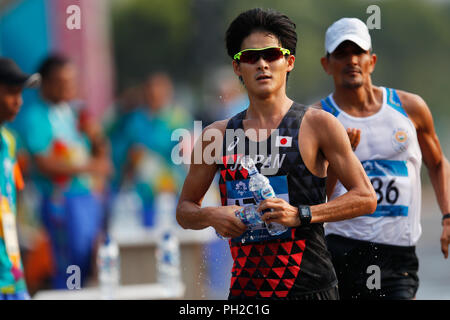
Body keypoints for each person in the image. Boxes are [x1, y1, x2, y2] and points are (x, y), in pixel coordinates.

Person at [176, 8, 377, 300]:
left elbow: (365, 197)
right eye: (250, 57)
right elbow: (184, 210)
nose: (261, 64)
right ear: (237, 68)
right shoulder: (215, 136)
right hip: (247, 294)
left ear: (288, 62)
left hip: (312, 289)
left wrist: (301, 214)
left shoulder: (319, 125)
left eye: (271, 55)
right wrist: (212, 214)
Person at [315, 18, 450, 300]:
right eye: (341, 54)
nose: (351, 60)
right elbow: (315, 198)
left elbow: (437, 163)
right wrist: (339, 161)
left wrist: (448, 217)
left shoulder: (409, 107)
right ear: (327, 65)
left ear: (372, 61)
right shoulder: (318, 121)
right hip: (342, 248)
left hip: (397, 253)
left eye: (358, 52)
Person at [19, 54, 111, 289]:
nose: (69, 87)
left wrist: (96, 135)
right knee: (67, 262)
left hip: (87, 198)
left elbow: (103, 156)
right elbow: (44, 163)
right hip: (59, 202)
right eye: (62, 81)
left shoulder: (76, 113)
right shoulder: (36, 116)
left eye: (72, 81)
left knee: (88, 260)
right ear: (46, 84)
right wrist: (90, 166)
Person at [0, 57, 39, 299]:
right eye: (12, 92)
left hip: (11, 270)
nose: (19, 101)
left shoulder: (9, 141)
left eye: (21, 93)